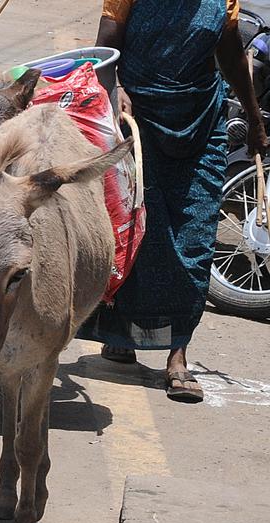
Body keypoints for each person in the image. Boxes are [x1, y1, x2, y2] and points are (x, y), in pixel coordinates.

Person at [83, 0, 268, 402]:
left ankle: (178, 354)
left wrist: (253, 119)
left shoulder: (222, 2)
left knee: (195, 240)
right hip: (140, 119)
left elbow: (232, 56)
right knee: (139, 231)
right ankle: (124, 335)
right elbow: (105, 50)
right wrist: (116, 90)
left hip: (202, 124)